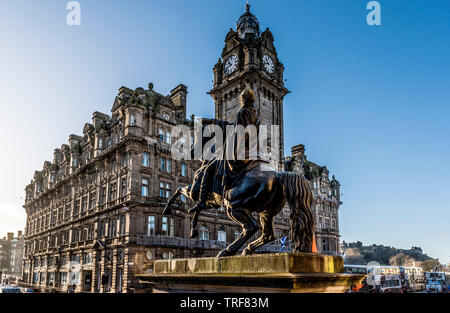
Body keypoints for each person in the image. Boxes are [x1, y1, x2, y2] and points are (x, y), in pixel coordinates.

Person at [189, 88, 260, 214]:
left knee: (209, 170)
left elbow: (236, 132)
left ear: (243, 100)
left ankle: (201, 202)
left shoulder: (242, 112)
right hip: (253, 153)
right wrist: (208, 121)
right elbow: (230, 126)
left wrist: (231, 151)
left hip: (238, 154)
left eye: (241, 99)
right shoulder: (256, 115)